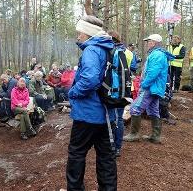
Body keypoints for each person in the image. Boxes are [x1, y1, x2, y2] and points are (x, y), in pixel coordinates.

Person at [66, 15, 117, 190]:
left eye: (80, 32)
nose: (78, 35)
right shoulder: (107, 47)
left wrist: (72, 92)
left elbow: (90, 79)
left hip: (88, 113)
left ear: (88, 33)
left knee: (76, 153)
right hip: (105, 112)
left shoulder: (91, 50)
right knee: (105, 156)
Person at [123, 34, 174, 144]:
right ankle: (155, 136)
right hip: (155, 88)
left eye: (148, 41)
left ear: (154, 43)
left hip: (151, 87)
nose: (147, 44)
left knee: (135, 108)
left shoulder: (157, 55)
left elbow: (152, 73)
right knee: (153, 110)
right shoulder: (157, 54)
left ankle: (134, 134)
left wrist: (144, 85)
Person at [108, 30, 133, 157]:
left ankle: (115, 146)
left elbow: (121, 72)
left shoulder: (115, 51)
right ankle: (116, 146)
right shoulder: (128, 52)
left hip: (117, 90)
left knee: (115, 118)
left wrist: (122, 94)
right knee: (119, 118)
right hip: (125, 87)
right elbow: (132, 68)